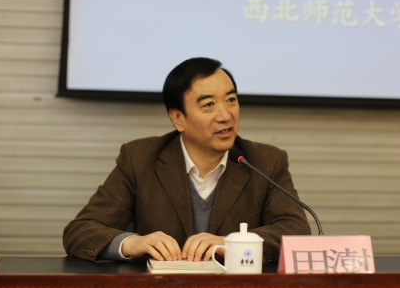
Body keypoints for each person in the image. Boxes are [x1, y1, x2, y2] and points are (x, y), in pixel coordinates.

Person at [63, 57, 310, 263]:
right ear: (178, 118)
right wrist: (132, 243)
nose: (225, 115)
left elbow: (296, 232)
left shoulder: (264, 161)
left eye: (231, 100)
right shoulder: (140, 159)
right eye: (209, 104)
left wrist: (233, 244)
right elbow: (80, 231)